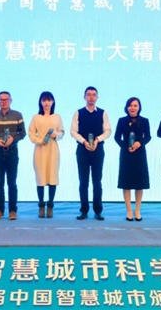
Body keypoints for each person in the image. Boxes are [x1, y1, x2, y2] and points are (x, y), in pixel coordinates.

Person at [70, 86, 112, 221]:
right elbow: (73, 131)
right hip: (82, 150)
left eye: (94, 95)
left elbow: (108, 130)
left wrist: (98, 139)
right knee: (83, 181)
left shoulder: (103, 113)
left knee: (97, 181)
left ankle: (98, 211)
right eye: (89, 95)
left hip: (98, 150)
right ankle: (84, 210)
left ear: (97, 97)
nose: (91, 97)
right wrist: (83, 141)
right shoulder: (78, 113)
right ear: (84, 97)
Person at [0, 91, 26, 221]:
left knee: (12, 183)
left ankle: (12, 211)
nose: (3, 102)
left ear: (11, 101)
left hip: (12, 152)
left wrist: (13, 139)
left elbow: (23, 133)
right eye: (1, 100)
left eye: (6, 99)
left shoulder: (18, 115)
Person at [114, 97, 151, 221]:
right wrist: (126, 146)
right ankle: (129, 210)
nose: (133, 108)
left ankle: (137, 210)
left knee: (139, 183)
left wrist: (139, 143)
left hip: (140, 154)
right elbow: (117, 137)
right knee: (126, 182)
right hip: (126, 154)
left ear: (139, 107)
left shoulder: (145, 121)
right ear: (126, 107)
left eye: (135, 105)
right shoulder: (122, 121)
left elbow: (148, 137)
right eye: (130, 105)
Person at [28, 91, 64, 219]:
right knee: (40, 177)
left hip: (53, 150)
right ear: (40, 102)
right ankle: (41, 204)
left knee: (52, 176)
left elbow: (62, 132)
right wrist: (39, 141)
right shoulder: (36, 118)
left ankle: (50, 204)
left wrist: (56, 135)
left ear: (53, 102)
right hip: (40, 150)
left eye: (49, 100)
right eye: (44, 100)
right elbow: (31, 133)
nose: (46, 103)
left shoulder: (57, 117)